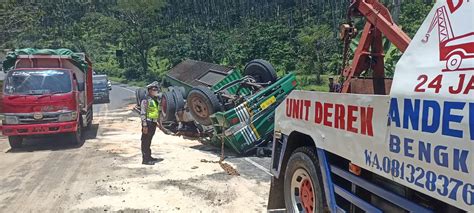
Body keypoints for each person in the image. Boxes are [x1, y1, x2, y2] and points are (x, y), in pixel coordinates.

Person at [140, 81, 162, 165]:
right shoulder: (145, 100)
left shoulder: (155, 100)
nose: (155, 90)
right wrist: (144, 125)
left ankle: (149, 157)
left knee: (149, 141)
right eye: (153, 89)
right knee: (145, 141)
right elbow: (143, 113)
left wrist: (158, 123)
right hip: (147, 123)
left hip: (153, 123)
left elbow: (157, 112)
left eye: (156, 89)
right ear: (149, 90)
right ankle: (145, 159)